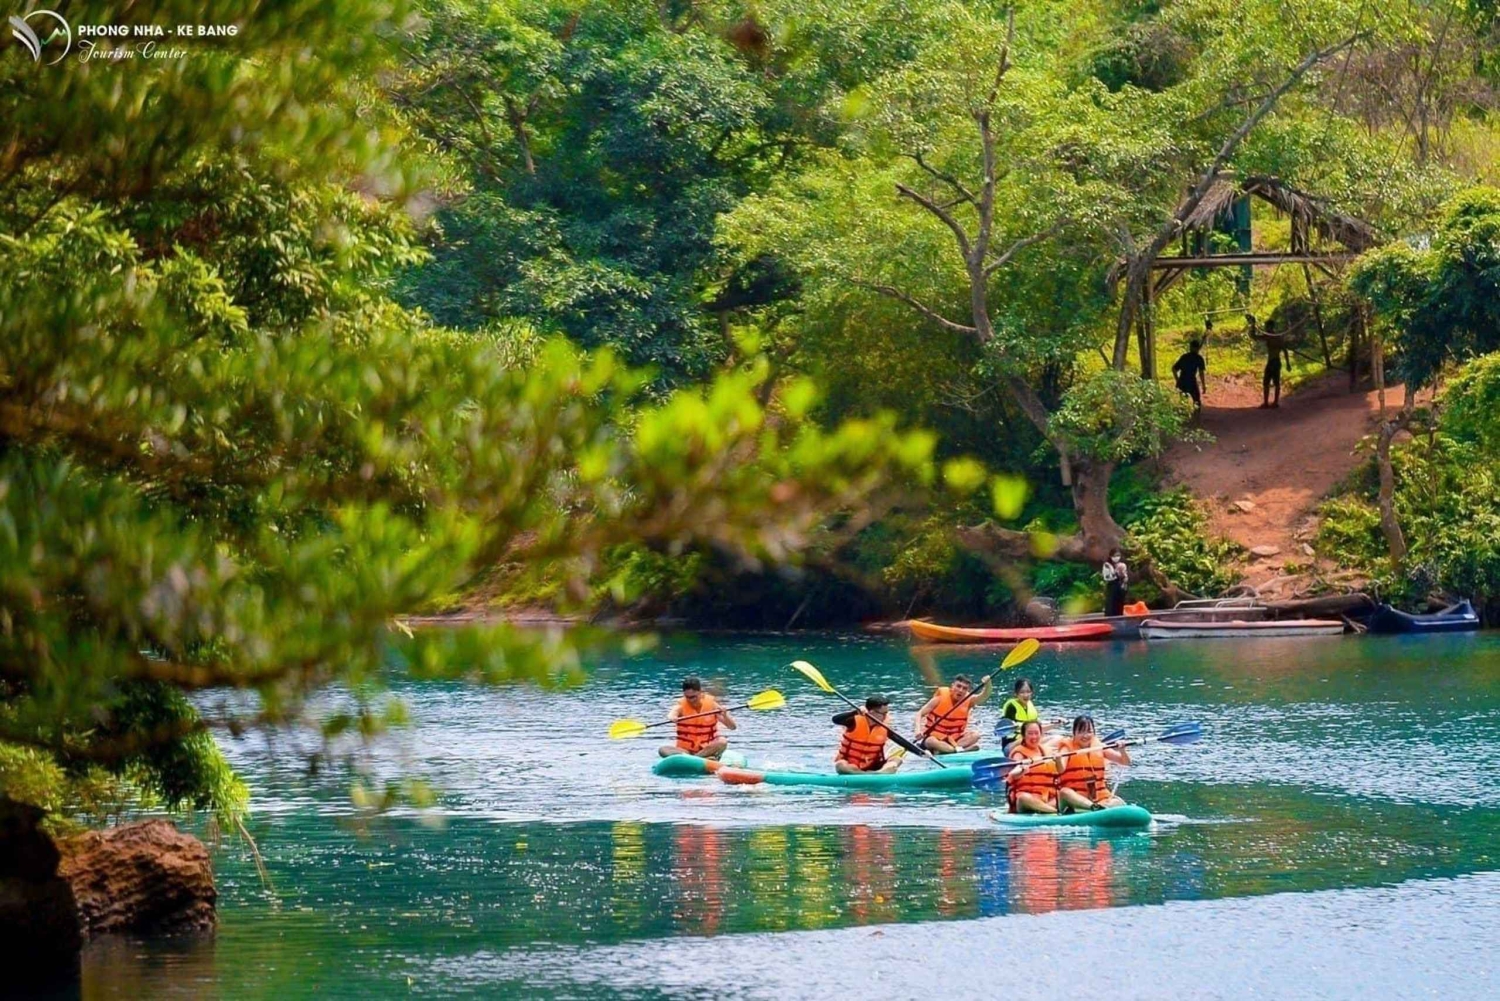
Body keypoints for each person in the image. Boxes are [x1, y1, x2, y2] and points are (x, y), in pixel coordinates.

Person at [1056, 715, 1132, 812]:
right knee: (1064, 792)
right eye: (1081, 731)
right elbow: (1060, 769)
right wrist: (1058, 759)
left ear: (1094, 733)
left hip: (1100, 798)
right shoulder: (1066, 748)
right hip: (1076, 798)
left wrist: (1122, 750)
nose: (1085, 735)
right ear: (1074, 733)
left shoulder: (1100, 746)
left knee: (1117, 801)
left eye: (1089, 731)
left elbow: (1125, 762)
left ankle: (1100, 807)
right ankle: (1094, 807)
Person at [658, 675, 736, 759]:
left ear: (700, 692)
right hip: (685, 751)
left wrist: (725, 715)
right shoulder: (680, 706)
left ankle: (695, 758)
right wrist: (672, 717)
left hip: (706, 748)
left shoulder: (712, 705)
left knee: (722, 742)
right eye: (687, 697)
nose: (690, 700)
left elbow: (732, 727)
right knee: (663, 750)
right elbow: (672, 713)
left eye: (693, 697)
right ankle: (700, 758)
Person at [914, 673, 992, 753]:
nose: (960, 690)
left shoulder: (969, 700)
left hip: (954, 739)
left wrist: (988, 684)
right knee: (931, 741)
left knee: (975, 736)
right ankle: (960, 750)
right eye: (958, 686)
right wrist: (918, 730)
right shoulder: (939, 698)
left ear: (967, 691)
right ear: (952, 686)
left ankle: (945, 750)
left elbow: (984, 696)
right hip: (935, 738)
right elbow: (919, 714)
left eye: (964, 688)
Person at [833, 695, 902, 774]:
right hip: (852, 765)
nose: (885, 716)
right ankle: (867, 775)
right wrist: (855, 712)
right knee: (840, 765)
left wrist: (918, 750)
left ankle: (878, 774)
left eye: (886, 713)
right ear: (872, 712)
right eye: (883, 713)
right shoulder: (853, 721)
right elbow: (835, 719)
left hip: (875, 767)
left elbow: (901, 741)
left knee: (897, 759)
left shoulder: (885, 726)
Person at [1004, 719, 1060, 814]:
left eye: (1036, 733)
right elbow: (1015, 773)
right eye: (1030, 733)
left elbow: (1059, 772)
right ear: (1023, 736)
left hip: (1046, 798)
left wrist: (1058, 760)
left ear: (1041, 734)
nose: (1034, 737)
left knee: (1062, 794)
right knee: (1023, 798)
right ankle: (1054, 812)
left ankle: (1045, 809)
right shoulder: (1019, 753)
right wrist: (1021, 770)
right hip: (1026, 801)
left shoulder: (1046, 752)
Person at [1248, 314, 1292, 408]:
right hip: (1271, 361)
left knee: (1276, 382)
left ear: (1271, 327)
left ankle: (1275, 402)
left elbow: (1284, 350)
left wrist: (1288, 364)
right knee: (1266, 382)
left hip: (1275, 361)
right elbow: (1253, 336)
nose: (1266, 328)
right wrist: (1253, 324)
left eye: (1267, 327)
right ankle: (1266, 403)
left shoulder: (1277, 337)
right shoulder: (1268, 336)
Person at [998, 677, 1040, 753]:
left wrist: (1056, 724)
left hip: (1030, 741)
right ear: (1016, 694)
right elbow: (1005, 729)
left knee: (1054, 738)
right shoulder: (1011, 706)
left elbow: (1039, 728)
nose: (1026, 695)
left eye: (1028, 692)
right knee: (1031, 739)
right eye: (1022, 692)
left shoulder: (1031, 706)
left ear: (1032, 693)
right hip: (1011, 745)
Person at [1171, 338, 1207, 411]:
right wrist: (1203, 385)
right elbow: (1201, 373)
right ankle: (1196, 419)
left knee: (1184, 402)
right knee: (1196, 402)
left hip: (1183, 381)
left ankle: (1185, 418)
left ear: (1191, 347)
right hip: (1191, 381)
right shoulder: (1199, 358)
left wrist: (1177, 380)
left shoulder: (1185, 357)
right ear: (1197, 348)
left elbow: (1174, 369)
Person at [1102, 549, 1129, 617]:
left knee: (1119, 604)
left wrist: (1124, 578)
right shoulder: (1107, 565)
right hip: (1112, 585)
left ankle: (1119, 616)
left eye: (1118, 555)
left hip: (1120, 586)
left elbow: (1125, 576)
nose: (1117, 557)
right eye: (1115, 556)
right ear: (1111, 556)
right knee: (1111, 604)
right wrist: (1115, 572)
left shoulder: (1121, 565)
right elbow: (1107, 577)